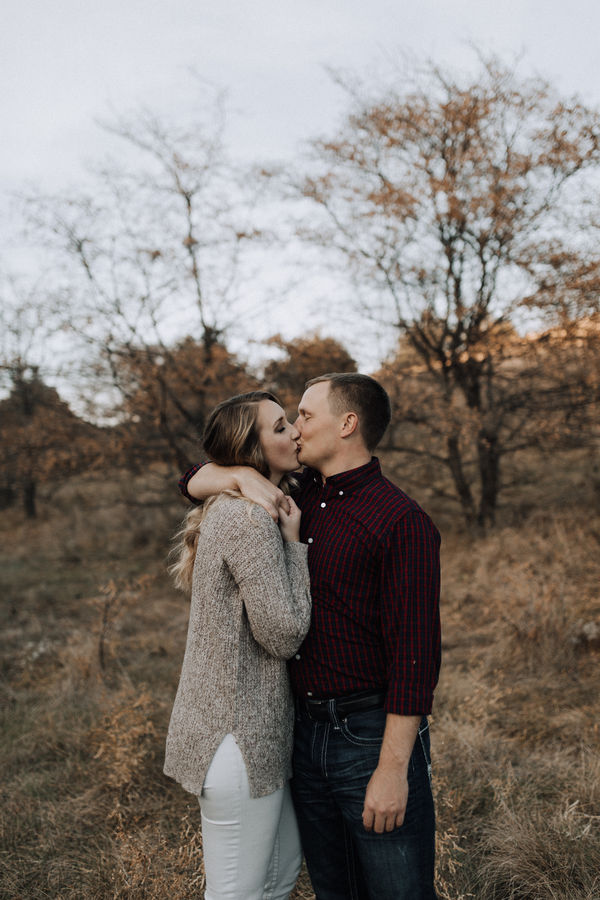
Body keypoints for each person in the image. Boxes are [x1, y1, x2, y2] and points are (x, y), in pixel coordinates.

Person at [180, 373, 441, 900]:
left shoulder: (400, 520)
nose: (296, 429)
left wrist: (392, 770)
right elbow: (189, 475)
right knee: (333, 888)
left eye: (304, 415)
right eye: (289, 419)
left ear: (347, 424)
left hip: (366, 735)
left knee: (398, 890)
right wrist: (236, 476)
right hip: (300, 733)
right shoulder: (299, 493)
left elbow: (416, 659)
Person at [165, 391, 312, 900]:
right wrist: (295, 548)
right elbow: (284, 635)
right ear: (250, 451)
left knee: (278, 876)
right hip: (236, 737)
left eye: (290, 421)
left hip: (255, 734)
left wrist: (237, 477)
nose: (294, 431)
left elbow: (194, 476)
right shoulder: (248, 521)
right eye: (278, 428)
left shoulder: (247, 503)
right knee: (238, 893)